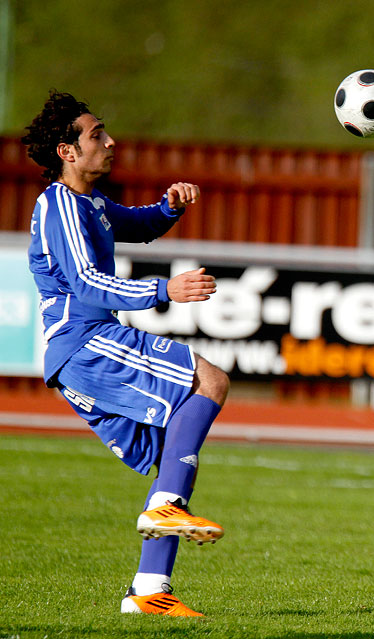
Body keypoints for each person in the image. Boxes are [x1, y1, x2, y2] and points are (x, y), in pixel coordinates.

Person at [23, 90, 230, 617]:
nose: (110, 141)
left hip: (77, 356)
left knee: (171, 460)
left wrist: (169, 208)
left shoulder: (89, 203)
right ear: (68, 151)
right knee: (209, 381)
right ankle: (164, 512)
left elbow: (137, 226)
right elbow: (88, 283)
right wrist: (166, 291)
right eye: (96, 135)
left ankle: (149, 590)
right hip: (86, 342)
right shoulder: (59, 204)